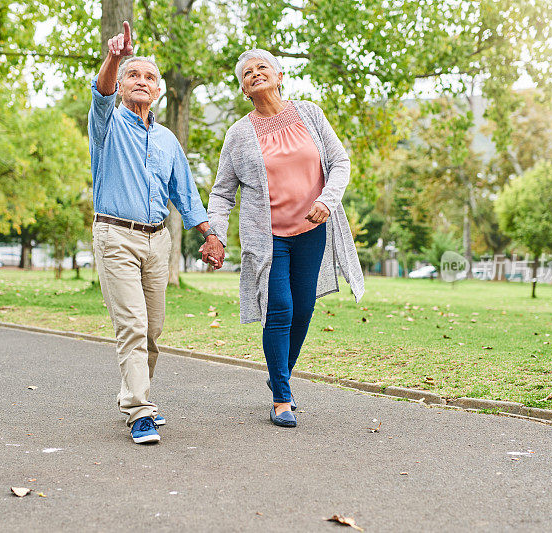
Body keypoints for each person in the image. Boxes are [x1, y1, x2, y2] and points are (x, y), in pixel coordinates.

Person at [201, 49, 364, 428]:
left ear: (279, 75)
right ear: (243, 88)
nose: (255, 74)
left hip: (312, 231)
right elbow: (223, 192)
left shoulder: (309, 113)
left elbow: (340, 162)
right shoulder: (239, 134)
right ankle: (281, 398)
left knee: (304, 309)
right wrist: (216, 234)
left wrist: (327, 199)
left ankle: (279, 375)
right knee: (281, 310)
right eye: (247, 73)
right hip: (268, 238)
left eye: (262, 68)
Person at [89, 22, 222, 444]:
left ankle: (133, 393)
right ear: (123, 85)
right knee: (130, 324)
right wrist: (114, 56)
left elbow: (184, 192)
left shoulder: (166, 140)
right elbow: (101, 94)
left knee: (153, 329)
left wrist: (209, 234)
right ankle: (140, 410)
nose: (141, 81)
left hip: (157, 239)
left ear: (159, 90)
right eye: (134, 75)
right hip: (116, 237)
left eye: (149, 77)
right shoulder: (107, 123)